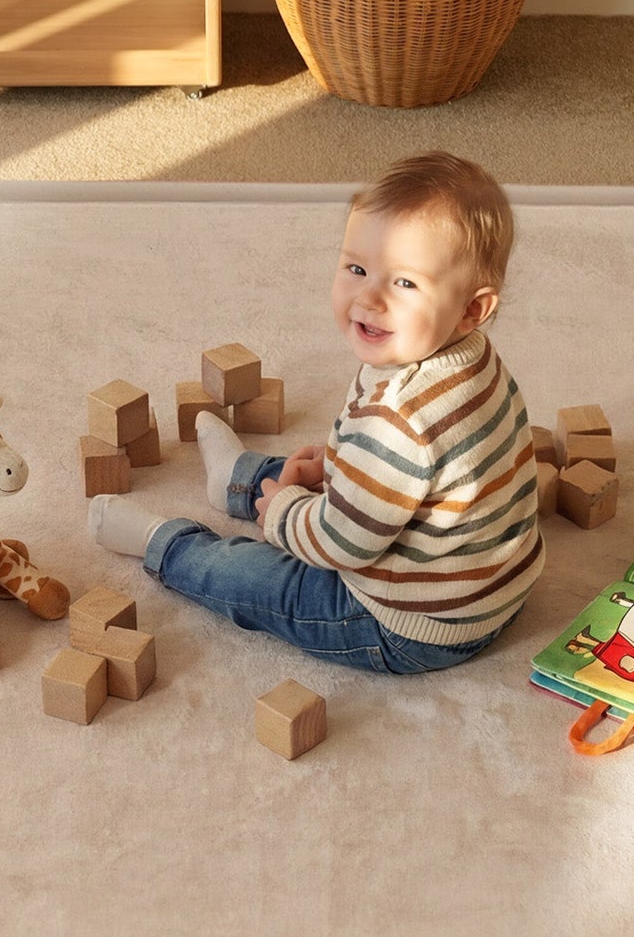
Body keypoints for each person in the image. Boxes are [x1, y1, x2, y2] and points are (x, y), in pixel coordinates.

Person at [85, 151, 544, 673]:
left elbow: (342, 544)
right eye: (357, 269)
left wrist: (283, 516)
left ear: (471, 309)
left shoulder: (396, 419)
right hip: (493, 590)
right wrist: (338, 466)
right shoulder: (470, 357)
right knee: (326, 475)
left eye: (405, 283)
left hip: (405, 626)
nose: (369, 298)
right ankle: (237, 479)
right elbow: (426, 466)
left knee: (264, 581)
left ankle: (166, 545)